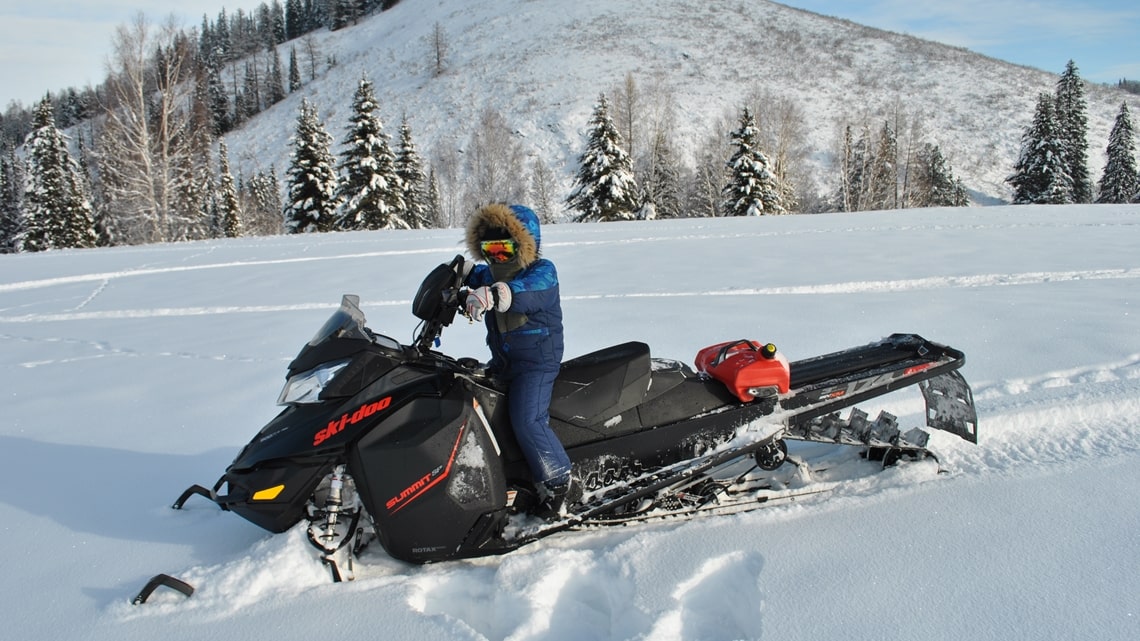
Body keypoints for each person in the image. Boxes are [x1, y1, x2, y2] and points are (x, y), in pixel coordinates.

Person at [462, 203, 575, 517]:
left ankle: (558, 483)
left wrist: (494, 295)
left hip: (537, 363)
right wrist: (456, 274)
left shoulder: (542, 272)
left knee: (528, 420)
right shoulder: (491, 272)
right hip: (506, 361)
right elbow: (476, 275)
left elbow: (523, 292)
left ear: (525, 245)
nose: (498, 257)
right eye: (490, 250)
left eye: (504, 249)